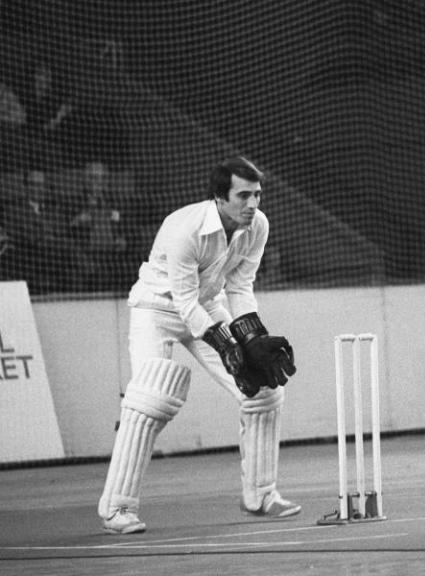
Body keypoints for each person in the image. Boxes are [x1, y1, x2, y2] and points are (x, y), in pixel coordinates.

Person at [98, 156, 299, 534]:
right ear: (220, 198)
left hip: (208, 305)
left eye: (257, 195)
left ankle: (261, 494)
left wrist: (252, 338)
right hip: (157, 309)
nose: (252, 204)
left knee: (264, 389)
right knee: (150, 403)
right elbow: (184, 302)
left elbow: (240, 287)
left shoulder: (257, 226)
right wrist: (226, 343)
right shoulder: (185, 229)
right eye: (243, 196)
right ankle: (116, 509)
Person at [2, 168, 77, 293]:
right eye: (33, 184)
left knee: (68, 251)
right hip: (27, 258)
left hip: (55, 259)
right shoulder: (13, 209)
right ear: (25, 187)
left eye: (40, 185)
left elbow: (62, 231)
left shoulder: (55, 209)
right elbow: (14, 234)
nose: (37, 188)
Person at [69, 161, 129, 291]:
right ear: (85, 180)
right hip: (87, 251)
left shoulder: (115, 201)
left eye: (99, 177)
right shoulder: (75, 202)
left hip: (113, 251)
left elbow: (125, 225)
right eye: (92, 177)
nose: (96, 181)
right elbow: (69, 228)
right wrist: (78, 221)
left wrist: (122, 238)